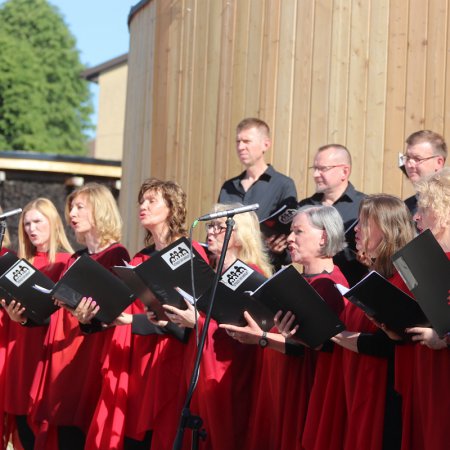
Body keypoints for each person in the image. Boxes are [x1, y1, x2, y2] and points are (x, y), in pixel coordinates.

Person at [85, 178, 208, 450]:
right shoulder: (140, 259)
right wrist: (88, 315)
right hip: (140, 363)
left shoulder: (191, 252)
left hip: (175, 360)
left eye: (152, 201)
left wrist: (140, 320)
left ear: (172, 208)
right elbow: (122, 310)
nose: (143, 206)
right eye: (142, 200)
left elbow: (198, 317)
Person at [220, 205, 348, 450]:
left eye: (298, 232)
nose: (289, 238)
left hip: (305, 397)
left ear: (323, 236)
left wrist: (262, 338)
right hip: (280, 391)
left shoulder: (330, 286)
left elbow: (314, 348)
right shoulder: (300, 281)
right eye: (291, 231)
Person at [30, 183, 130, 450]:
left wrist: (88, 317)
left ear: (99, 210)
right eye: (71, 207)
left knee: (82, 430)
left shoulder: (116, 254)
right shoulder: (77, 257)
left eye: (80, 207)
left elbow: (114, 310)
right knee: (63, 432)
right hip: (64, 356)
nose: (71, 213)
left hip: (90, 355)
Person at [164, 203, 272, 450]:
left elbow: (242, 331)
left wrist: (198, 322)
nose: (210, 232)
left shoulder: (250, 274)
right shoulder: (210, 273)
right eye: (209, 226)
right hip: (201, 369)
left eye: (218, 227)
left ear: (238, 233)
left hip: (230, 375)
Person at [329, 194, 415, 450]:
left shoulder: (404, 277)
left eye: (365, 223)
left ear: (388, 229)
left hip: (391, 393)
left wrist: (333, 334)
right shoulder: (373, 273)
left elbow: (396, 342)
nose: (356, 229)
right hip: (363, 388)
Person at [0, 198, 73, 450]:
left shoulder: (68, 262)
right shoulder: (18, 264)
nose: (31, 229)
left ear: (53, 223)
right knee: (24, 430)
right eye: (27, 224)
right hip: (20, 355)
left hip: (50, 355)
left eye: (37, 222)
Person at [394, 167, 450, 450]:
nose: (416, 217)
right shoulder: (421, 259)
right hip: (424, 368)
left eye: (425, 209)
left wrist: (444, 339)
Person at [218, 117, 297, 267]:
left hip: (264, 270)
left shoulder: (283, 185)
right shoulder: (228, 186)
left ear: (265, 144)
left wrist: (279, 248)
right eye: (238, 141)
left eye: (247, 141)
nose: (240, 147)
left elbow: (288, 236)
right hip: (229, 268)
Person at [298, 144, 367, 286]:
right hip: (314, 288)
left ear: (344, 171)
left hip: (352, 292)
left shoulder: (364, 205)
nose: (315, 174)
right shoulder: (305, 207)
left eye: (323, 169)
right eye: (315, 169)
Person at [401, 130, 447, 215]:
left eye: (417, 159)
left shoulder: (447, 205)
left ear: (439, 162)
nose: (409, 165)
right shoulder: (405, 208)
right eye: (407, 158)